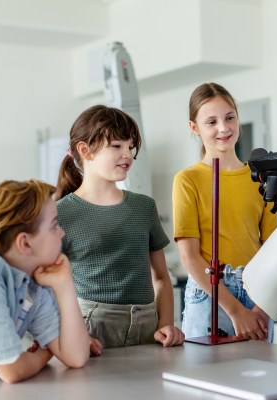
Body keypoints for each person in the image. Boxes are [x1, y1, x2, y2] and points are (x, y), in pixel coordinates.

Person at [55, 105, 184, 349]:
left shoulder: (144, 207)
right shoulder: (60, 213)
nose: (128, 154)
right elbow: (50, 288)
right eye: (117, 146)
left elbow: (161, 278)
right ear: (85, 150)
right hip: (90, 329)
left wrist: (165, 324)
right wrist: (71, 335)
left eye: (130, 146)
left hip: (147, 326)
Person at [0, 180, 97, 383]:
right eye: (54, 226)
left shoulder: (30, 282)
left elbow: (76, 357)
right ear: (25, 243)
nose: (62, 232)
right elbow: (12, 371)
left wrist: (65, 285)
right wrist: (45, 354)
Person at [173, 83, 277, 341]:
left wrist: (261, 308)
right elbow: (189, 257)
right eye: (211, 122)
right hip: (209, 293)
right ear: (194, 128)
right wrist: (236, 311)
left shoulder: (260, 179)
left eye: (230, 117)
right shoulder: (188, 180)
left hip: (257, 294)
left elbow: (273, 251)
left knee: (261, 379)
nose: (224, 128)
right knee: (208, 379)